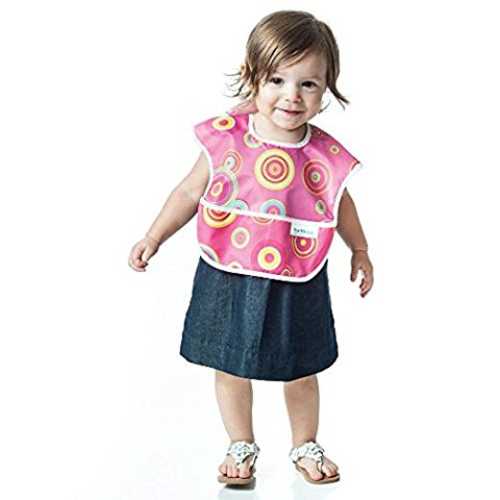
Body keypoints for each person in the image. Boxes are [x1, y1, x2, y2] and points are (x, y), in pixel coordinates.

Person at [128, 9, 373, 486]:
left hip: (297, 274)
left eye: (308, 84)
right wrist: (153, 236)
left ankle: (305, 443)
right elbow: (189, 191)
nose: (291, 95)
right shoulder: (227, 139)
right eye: (277, 79)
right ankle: (240, 442)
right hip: (229, 271)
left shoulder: (323, 155)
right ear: (253, 77)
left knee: (301, 368)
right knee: (229, 364)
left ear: (326, 89)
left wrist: (359, 250)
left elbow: (339, 204)